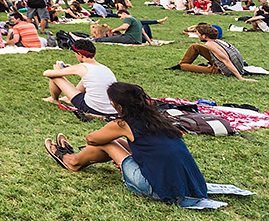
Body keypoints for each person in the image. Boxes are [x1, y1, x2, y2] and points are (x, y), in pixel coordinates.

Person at [44, 82, 211, 207]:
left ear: (119, 106)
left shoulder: (124, 124)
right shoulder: (157, 119)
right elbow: (152, 149)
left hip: (156, 188)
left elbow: (91, 139)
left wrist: (110, 134)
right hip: (187, 185)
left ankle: (73, 161)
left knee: (109, 144)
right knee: (119, 141)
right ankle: (78, 159)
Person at [41, 38, 116, 116]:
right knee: (88, 79)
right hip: (112, 109)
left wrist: (57, 70)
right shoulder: (105, 68)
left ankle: (54, 99)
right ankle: (66, 99)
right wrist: (72, 68)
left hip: (92, 108)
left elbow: (47, 73)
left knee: (55, 76)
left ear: (80, 55)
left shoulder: (81, 68)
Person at [173, 24, 256, 79]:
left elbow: (225, 60)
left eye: (198, 34)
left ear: (204, 36)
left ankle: (180, 66)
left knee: (183, 66)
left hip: (223, 71)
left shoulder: (210, 44)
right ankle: (179, 65)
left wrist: (240, 77)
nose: (197, 36)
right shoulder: (219, 41)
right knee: (196, 47)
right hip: (233, 66)